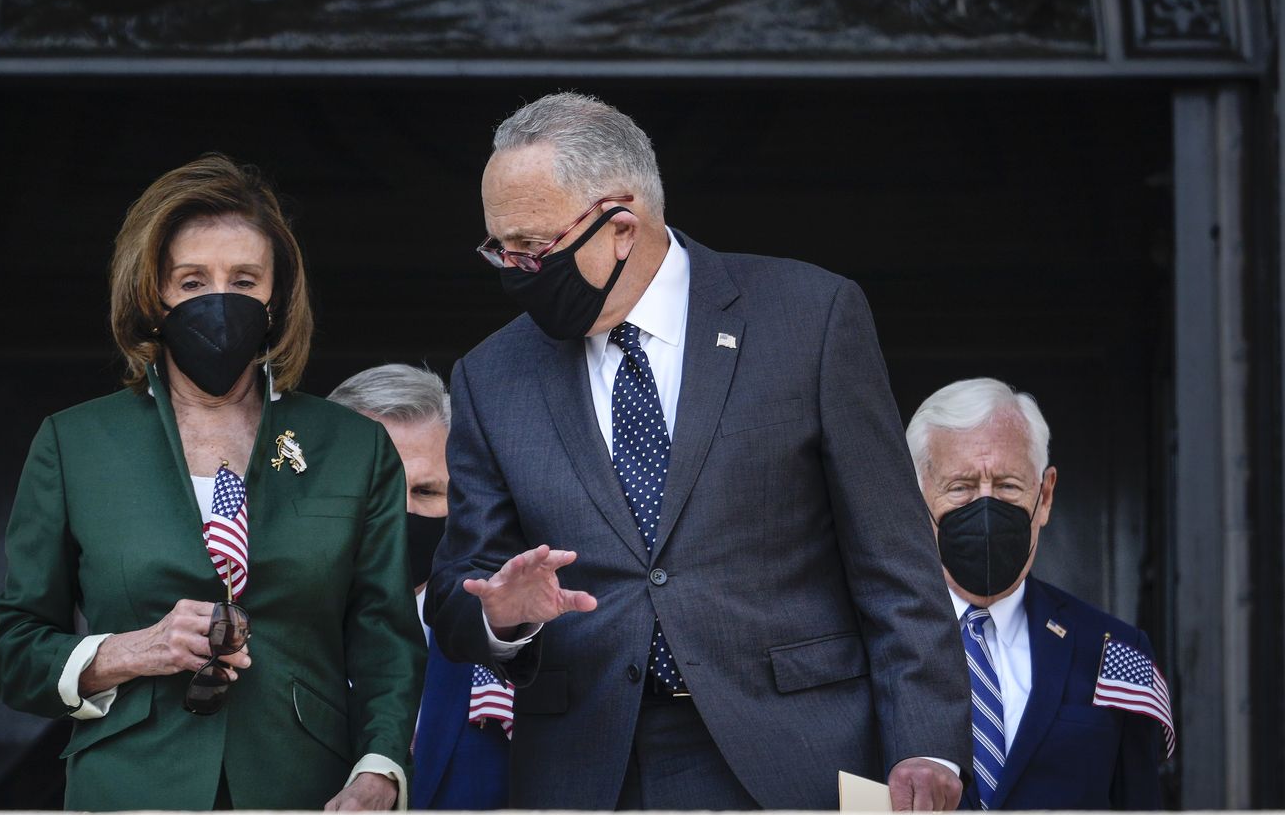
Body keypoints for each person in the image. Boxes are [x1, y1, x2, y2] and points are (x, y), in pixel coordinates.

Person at [425, 92, 968, 810]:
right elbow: (458, 587)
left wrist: (926, 746)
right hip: (589, 771)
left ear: (620, 227)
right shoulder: (492, 375)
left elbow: (895, 564)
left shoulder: (810, 318)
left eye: (533, 249)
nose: (514, 271)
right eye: (501, 248)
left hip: (792, 757)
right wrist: (502, 612)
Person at [0, 155, 423, 811]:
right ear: (152, 295)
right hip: (130, 788)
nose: (219, 301)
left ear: (276, 298)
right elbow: (15, 650)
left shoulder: (351, 447)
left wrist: (379, 769)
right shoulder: (74, 444)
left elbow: (386, 635)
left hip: (305, 787)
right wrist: (134, 650)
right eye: (192, 282)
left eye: (244, 280)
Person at [907, 379, 1168, 809]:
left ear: (1044, 496)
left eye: (1008, 486)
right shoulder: (867, 646)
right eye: (960, 488)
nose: (985, 508)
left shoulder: (1115, 651)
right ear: (916, 500)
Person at [329, 365, 510, 811]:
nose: (401, 513)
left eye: (426, 492)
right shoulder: (272, 632)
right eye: (378, 490)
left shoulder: (500, 636)